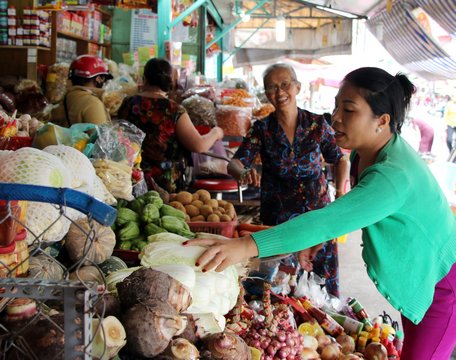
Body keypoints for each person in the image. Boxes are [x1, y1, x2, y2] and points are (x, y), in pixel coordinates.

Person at [186, 67, 456, 360]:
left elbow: (327, 220)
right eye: (337, 105)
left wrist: (246, 246)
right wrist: (315, 237)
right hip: (422, 278)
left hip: (442, 286)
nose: (336, 116)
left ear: (382, 120)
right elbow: (353, 210)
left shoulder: (392, 175)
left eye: (349, 109)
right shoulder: (365, 152)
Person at [226, 63, 350, 297]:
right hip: (278, 220)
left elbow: (340, 160)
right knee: (280, 285)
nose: (279, 92)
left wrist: (341, 193)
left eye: (285, 84)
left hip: (318, 215)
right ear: (266, 93)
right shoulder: (262, 129)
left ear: (297, 87)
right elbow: (235, 162)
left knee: (323, 284)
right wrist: (242, 172)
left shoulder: (316, 124)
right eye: (272, 87)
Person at [117, 58, 224, 193]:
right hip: (164, 182)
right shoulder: (174, 110)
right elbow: (199, 145)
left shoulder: (128, 103)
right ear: (170, 81)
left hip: (130, 176)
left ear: (144, 78)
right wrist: (216, 133)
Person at [52, 54, 112, 126]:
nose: (104, 82)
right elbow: (101, 136)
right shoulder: (93, 103)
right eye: (103, 78)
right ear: (98, 79)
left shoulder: (67, 97)